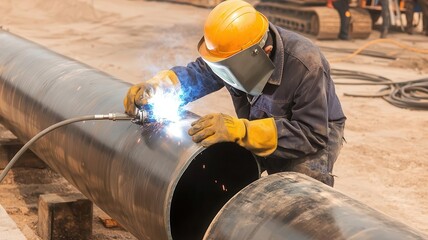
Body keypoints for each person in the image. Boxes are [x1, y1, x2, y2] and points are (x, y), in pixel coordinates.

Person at [123, 0, 346, 187]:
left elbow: (311, 134)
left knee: (300, 189)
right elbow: (199, 74)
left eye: (230, 69)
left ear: (264, 52)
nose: (224, 74)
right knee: (229, 169)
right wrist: (159, 86)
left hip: (313, 131)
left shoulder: (306, 64)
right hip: (259, 123)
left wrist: (242, 130)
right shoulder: (237, 53)